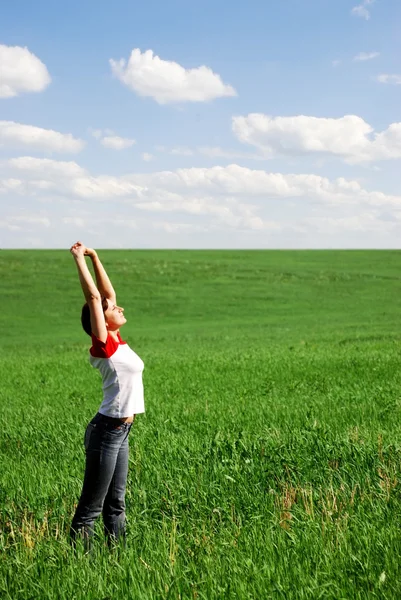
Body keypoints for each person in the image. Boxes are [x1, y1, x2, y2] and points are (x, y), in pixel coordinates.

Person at [69, 241, 145, 551]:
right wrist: (79, 260)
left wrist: (96, 257)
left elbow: (106, 295)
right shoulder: (103, 345)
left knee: (117, 504)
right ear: (102, 319)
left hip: (122, 431)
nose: (119, 306)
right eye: (114, 309)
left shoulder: (118, 341)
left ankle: (119, 561)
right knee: (91, 510)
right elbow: (95, 297)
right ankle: (78, 567)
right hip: (107, 432)